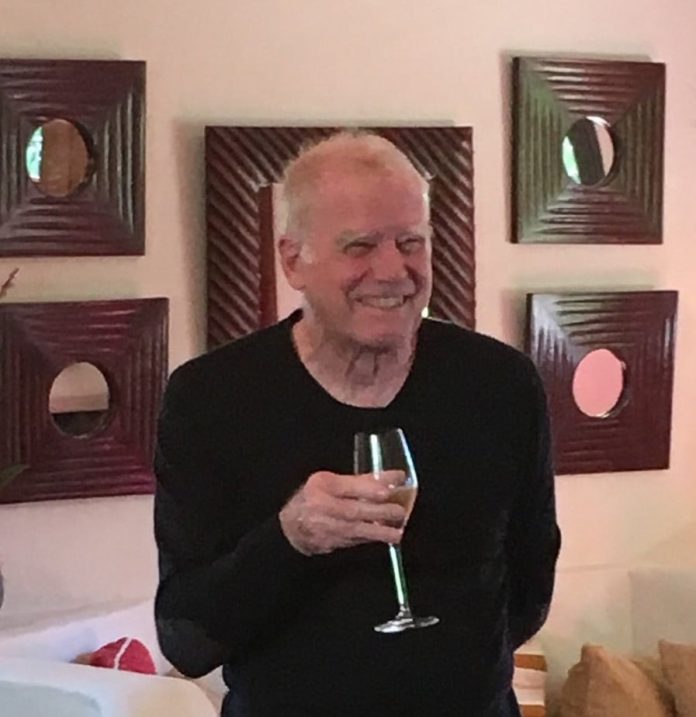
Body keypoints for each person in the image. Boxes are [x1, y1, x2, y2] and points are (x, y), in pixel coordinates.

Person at [153, 131, 561, 717]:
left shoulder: (500, 384)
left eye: (410, 242)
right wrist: (288, 539)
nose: (392, 270)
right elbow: (187, 639)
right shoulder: (212, 399)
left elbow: (530, 584)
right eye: (360, 246)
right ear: (293, 260)